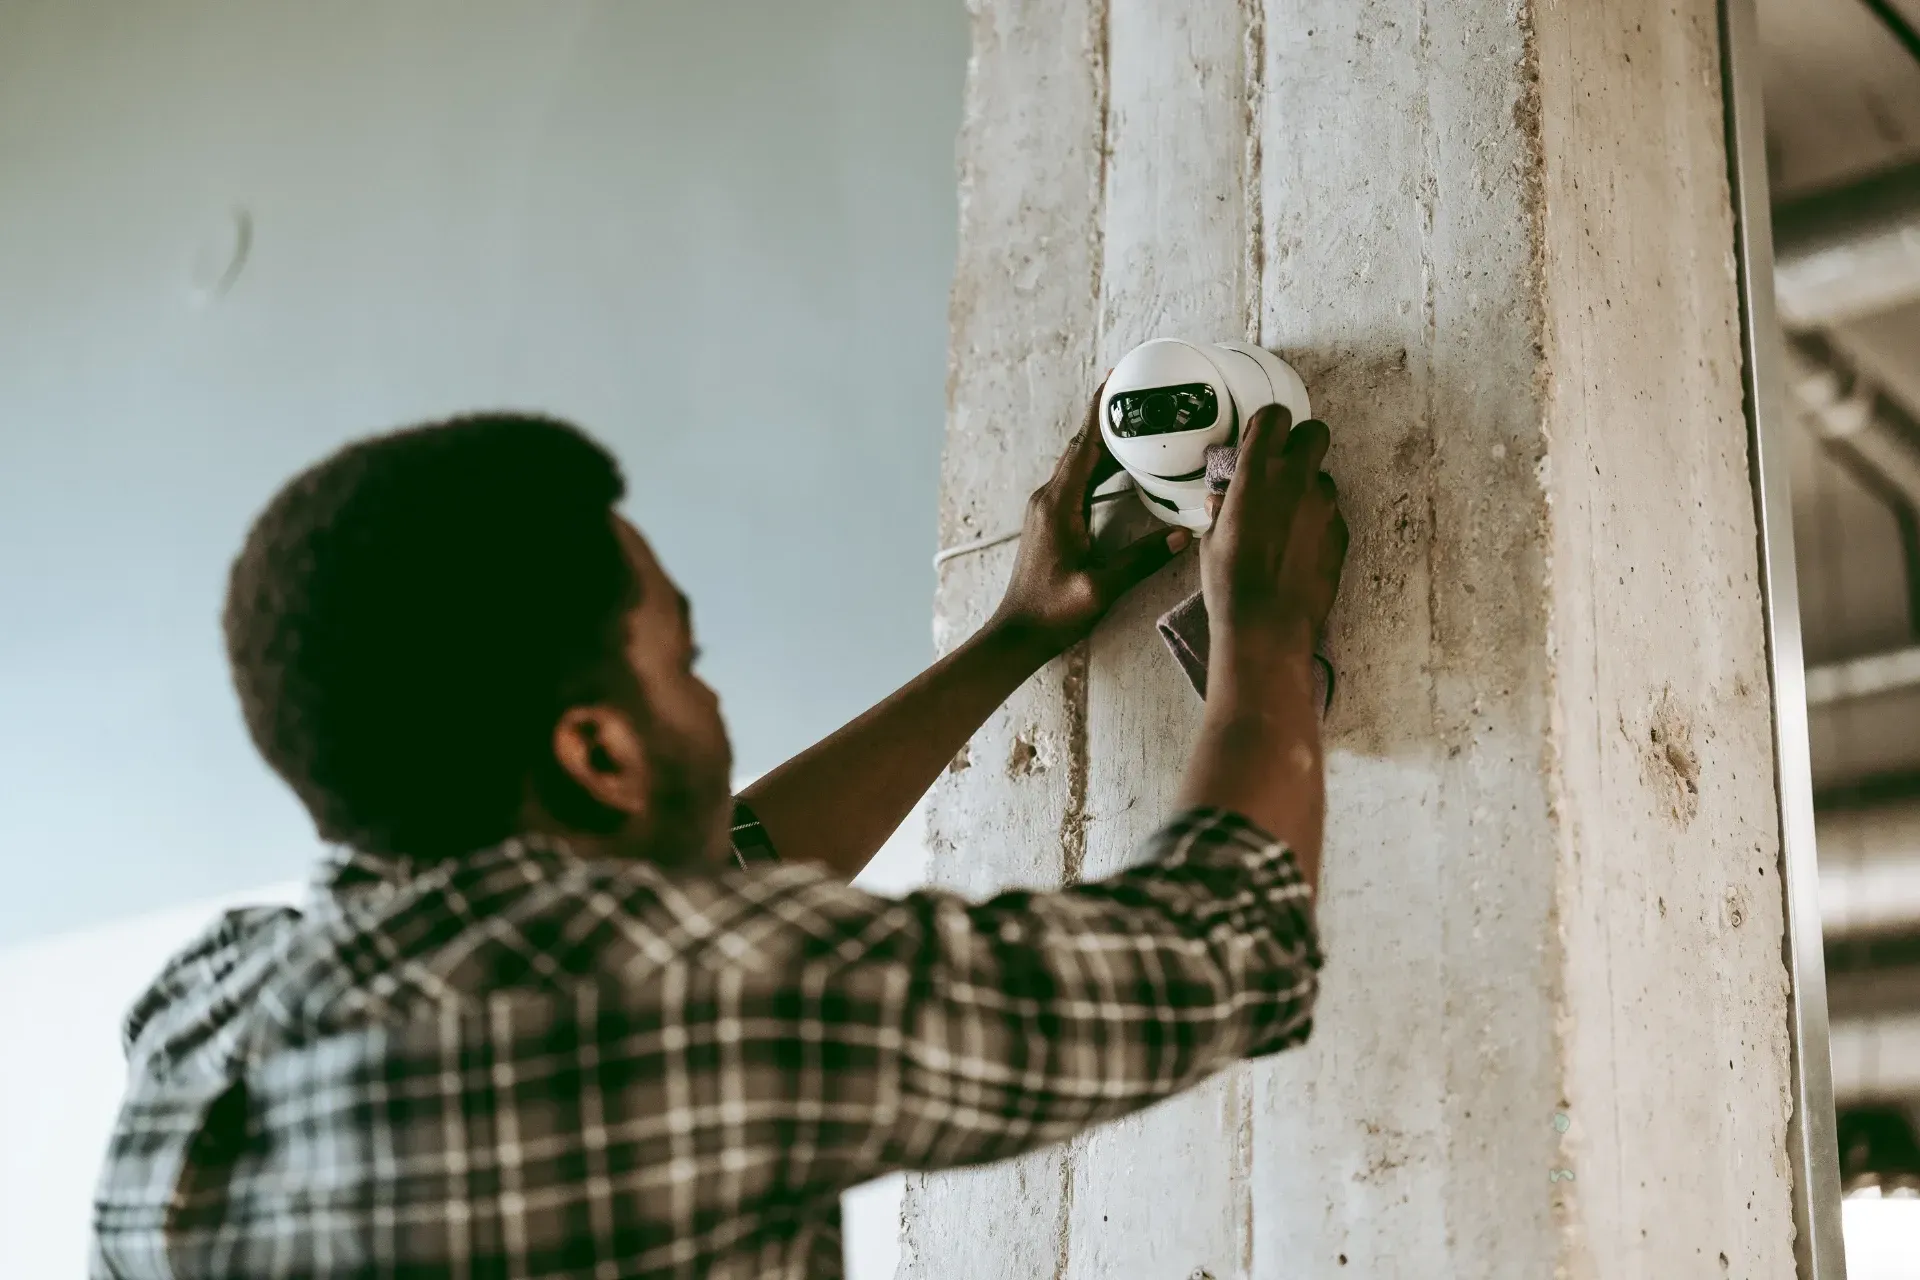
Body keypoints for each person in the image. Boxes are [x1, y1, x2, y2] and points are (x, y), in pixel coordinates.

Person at [89, 388, 1347, 1280]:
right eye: (684, 660)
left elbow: (676, 889)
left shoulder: (202, 1008)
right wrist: (1266, 629)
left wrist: (1013, 635)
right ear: (595, 750)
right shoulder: (644, 1017)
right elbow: (1215, 946)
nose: (710, 693)